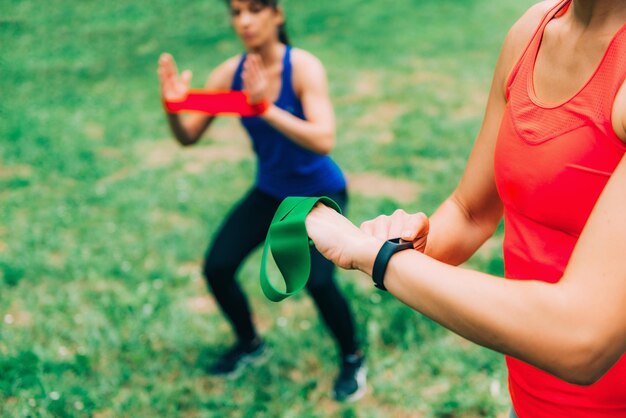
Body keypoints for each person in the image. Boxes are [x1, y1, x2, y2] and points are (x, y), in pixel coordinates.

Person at [304, 0, 626, 416]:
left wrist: (377, 259)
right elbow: (471, 211)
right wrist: (409, 245)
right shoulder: (532, 30)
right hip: (528, 397)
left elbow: (581, 338)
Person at [157, 0, 366, 402]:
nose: (245, 21)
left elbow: (324, 139)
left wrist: (264, 108)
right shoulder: (229, 74)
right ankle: (250, 343)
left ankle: (353, 358)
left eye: (254, 9)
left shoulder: (303, 67)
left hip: (316, 193)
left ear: (277, 14)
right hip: (270, 190)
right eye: (236, 12)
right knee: (218, 267)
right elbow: (188, 137)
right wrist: (173, 106)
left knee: (319, 282)